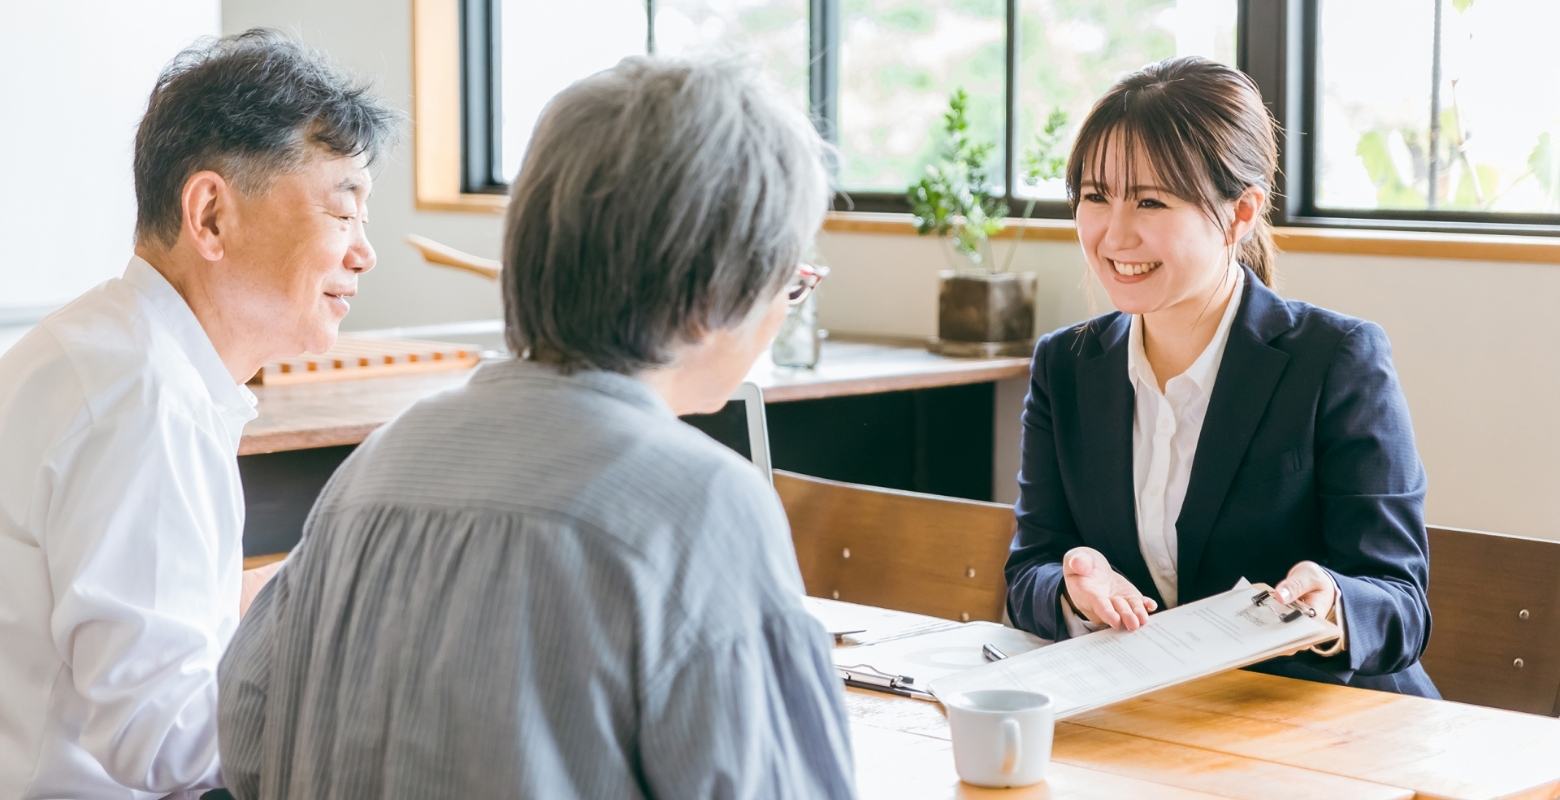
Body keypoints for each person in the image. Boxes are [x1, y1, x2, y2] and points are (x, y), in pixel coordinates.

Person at [216, 56, 854, 799]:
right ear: (714, 294)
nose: (784, 310)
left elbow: (250, 743)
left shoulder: (380, 464)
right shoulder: (703, 506)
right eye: (790, 283)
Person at [0, 30, 399, 798]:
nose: (365, 254)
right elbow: (168, 741)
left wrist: (324, 587)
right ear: (210, 214)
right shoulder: (145, 403)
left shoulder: (103, 348)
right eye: (343, 214)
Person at [1004, 57, 1437, 697]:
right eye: (1096, 197)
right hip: (1157, 721)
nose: (1114, 234)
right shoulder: (1066, 366)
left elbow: (1400, 601)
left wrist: (1333, 604)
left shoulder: (1338, 358)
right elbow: (1027, 572)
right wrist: (1072, 590)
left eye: (1151, 200)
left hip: (1330, 724)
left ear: (1240, 214)